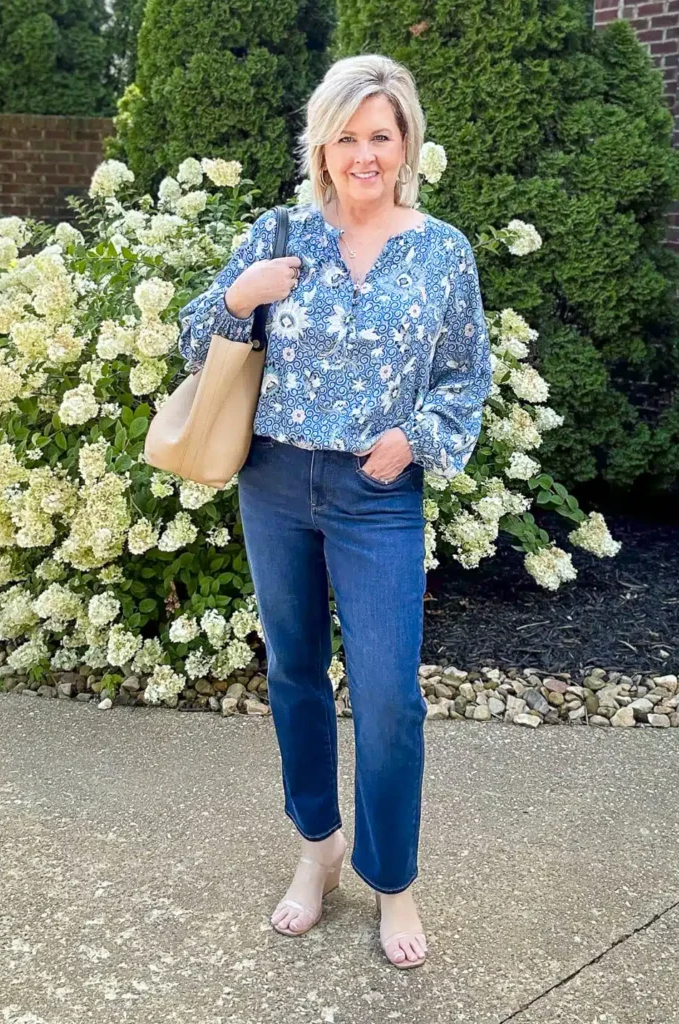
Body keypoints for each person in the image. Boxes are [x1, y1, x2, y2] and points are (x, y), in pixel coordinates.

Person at [177, 54, 492, 968]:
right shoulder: (281, 232)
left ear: (406, 145)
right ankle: (318, 851)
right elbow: (196, 336)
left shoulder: (442, 251)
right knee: (295, 672)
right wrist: (242, 295)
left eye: (380, 136)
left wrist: (417, 439)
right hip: (274, 481)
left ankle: (394, 880)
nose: (364, 153)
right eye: (347, 135)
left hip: (376, 493)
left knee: (391, 697)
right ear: (323, 142)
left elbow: (465, 374)